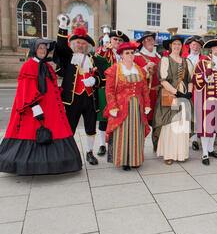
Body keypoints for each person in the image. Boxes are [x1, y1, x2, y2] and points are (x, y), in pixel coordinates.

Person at [0, 38, 82, 175]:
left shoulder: (47, 66)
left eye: (44, 48)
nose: (43, 50)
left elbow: (52, 86)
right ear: (34, 50)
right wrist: (34, 107)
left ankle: (53, 164)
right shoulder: (29, 65)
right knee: (33, 133)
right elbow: (26, 88)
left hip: (52, 109)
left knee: (54, 131)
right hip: (36, 108)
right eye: (40, 48)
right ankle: (31, 165)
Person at [54, 14, 104, 166]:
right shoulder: (68, 57)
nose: (80, 45)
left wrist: (94, 80)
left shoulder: (93, 59)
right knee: (70, 126)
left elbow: (102, 78)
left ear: (87, 46)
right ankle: (67, 152)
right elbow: (61, 47)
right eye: (78, 43)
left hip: (90, 99)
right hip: (72, 98)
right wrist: (63, 27)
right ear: (73, 44)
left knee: (90, 126)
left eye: (83, 44)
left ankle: (89, 152)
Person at [103, 42, 151, 171]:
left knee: (137, 133)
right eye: (127, 53)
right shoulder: (114, 70)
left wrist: (147, 104)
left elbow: (145, 89)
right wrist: (112, 107)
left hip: (137, 108)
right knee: (123, 134)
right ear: (122, 55)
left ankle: (135, 159)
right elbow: (109, 90)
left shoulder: (139, 70)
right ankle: (124, 160)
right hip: (121, 107)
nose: (130, 55)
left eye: (131, 53)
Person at [152, 35, 194, 165]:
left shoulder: (187, 61)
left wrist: (189, 93)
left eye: (179, 44)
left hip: (184, 97)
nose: (176, 46)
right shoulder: (165, 60)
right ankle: (168, 154)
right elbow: (163, 81)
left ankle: (181, 153)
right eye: (174, 44)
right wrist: (177, 92)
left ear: (182, 46)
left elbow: (190, 80)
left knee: (181, 124)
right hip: (170, 95)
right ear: (170, 46)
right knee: (170, 124)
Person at [193, 36, 217, 165]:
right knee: (206, 127)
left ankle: (210, 150)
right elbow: (196, 81)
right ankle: (204, 154)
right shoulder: (202, 63)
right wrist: (206, 76)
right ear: (212, 49)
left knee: (215, 126)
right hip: (206, 100)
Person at [95, 29, 130, 157]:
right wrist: (104, 47)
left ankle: (115, 142)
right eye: (115, 39)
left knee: (118, 117)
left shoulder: (125, 54)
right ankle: (102, 145)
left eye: (120, 40)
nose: (117, 42)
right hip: (106, 89)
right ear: (110, 40)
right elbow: (98, 58)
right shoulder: (104, 51)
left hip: (121, 91)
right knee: (104, 118)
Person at [183, 35, 207, 151]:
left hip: (198, 90)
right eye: (194, 45)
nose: (196, 47)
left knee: (197, 115)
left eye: (198, 45)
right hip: (184, 90)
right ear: (190, 46)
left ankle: (194, 140)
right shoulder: (183, 57)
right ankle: (183, 138)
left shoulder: (205, 59)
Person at [134, 31, 161, 126]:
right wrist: (145, 68)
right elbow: (133, 76)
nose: (150, 42)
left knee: (157, 125)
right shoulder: (136, 57)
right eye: (147, 40)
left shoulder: (158, 57)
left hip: (157, 96)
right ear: (143, 42)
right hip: (144, 96)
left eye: (152, 40)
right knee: (141, 123)